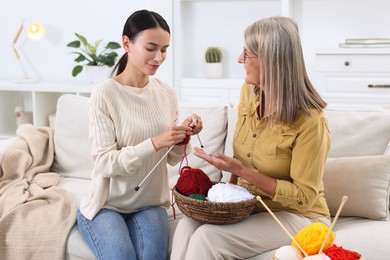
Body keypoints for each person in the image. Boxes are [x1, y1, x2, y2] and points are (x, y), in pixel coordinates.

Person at [170, 16, 331, 259]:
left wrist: (244, 172)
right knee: (187, 225)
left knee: (208, 238)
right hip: (249, 205)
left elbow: (304, 198)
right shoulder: (250, 92)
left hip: (300, 217)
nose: (239, 59)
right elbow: (241, 156)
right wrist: (224, 199)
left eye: (247, 53)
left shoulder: (310, 121)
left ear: (270, 61)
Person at [76, 9, 202, 260]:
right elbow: (104, 162)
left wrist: (182, 136)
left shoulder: (166, 93)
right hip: (106, 205)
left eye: (164, 49)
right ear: (127, 43)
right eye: (151, 48)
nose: (159, 57)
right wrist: (155, 142)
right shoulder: (105, 94)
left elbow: (172, 158)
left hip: (150, 204)